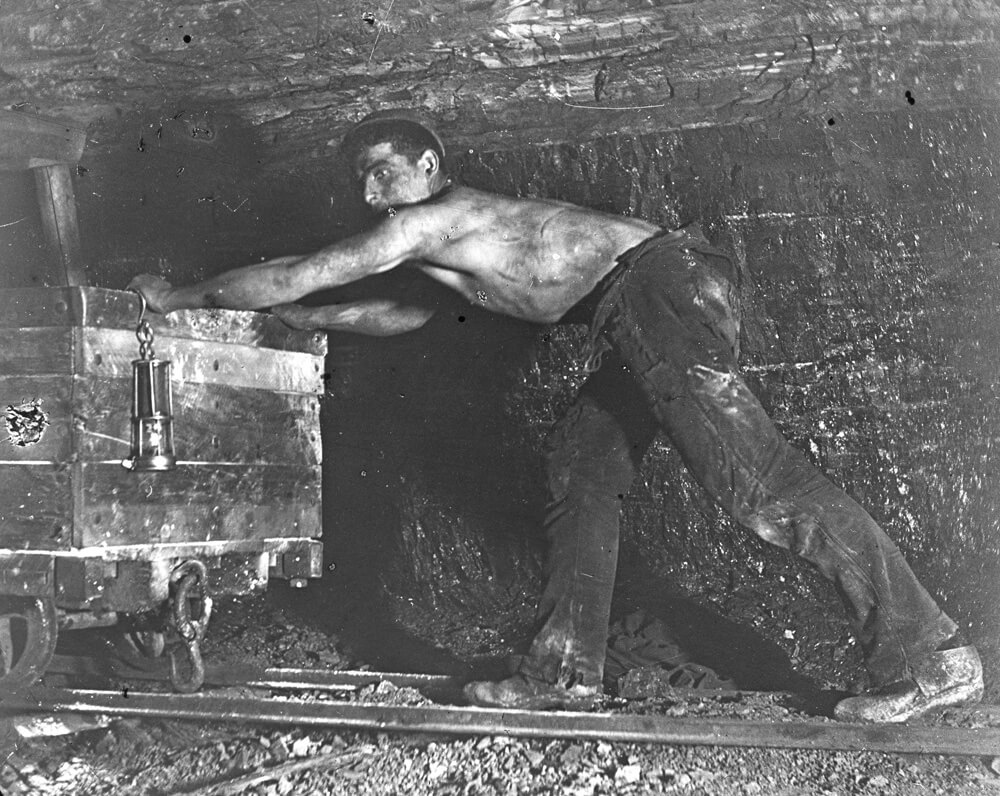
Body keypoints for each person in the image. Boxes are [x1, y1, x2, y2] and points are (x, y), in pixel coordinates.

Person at [129, 109, 984, 723]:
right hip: (662, 291)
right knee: (584, 463)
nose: (370, 188)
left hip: (654, 289)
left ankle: (926, 652)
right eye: (360, 177)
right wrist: (303, 323)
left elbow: (299, 273)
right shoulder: (445, 247)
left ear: (430, 168)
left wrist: (179, 296)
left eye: (386, 168)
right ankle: (564, 672)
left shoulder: (430, 220)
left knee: (756, 484)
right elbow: (397, 313)